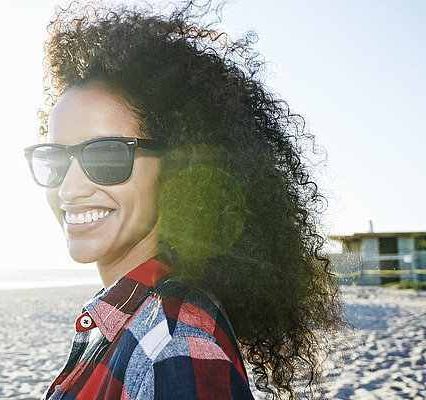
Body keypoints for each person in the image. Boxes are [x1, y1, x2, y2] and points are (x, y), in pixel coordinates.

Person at [24, 1, 342, 398]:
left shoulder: (174, 349)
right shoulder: (133, 322)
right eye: (54, 157)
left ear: (177, 171)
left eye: (106, 155)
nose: (69, 189)